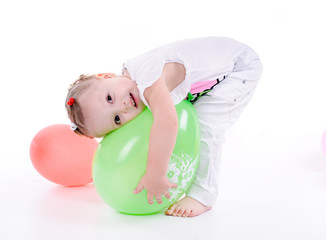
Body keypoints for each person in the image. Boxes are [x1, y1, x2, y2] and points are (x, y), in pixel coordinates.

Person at [65, 37, 262, 217]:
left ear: (106, 76)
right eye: (117, 119)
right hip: (218, 68)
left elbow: (168, 123)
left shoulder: (148, 82)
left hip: (237, 68)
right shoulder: (130, 82)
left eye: (109, 98)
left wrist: (155, 174)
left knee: (205, 128)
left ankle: (204, 195)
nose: (122, 107)